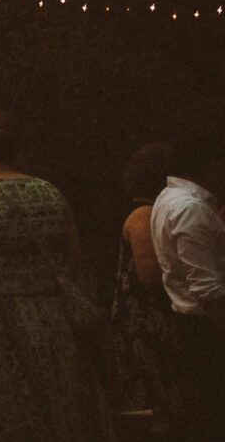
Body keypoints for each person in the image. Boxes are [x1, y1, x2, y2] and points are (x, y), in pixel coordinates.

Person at [0, 110, 106, 442]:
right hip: (55, 319)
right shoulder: (52, 194)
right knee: (60, 415)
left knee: (8, 416)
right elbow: (75, 264)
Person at [151, 105, 225, 438]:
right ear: (210, 164)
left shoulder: (169, 198)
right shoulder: (190, 207)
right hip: (207, 326)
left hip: (192, 323)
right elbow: (207, 287)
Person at [112, 141, 189, 437]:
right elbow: (149, 275)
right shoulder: (143, 215)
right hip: (145, 322)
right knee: (157, 404)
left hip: (151, 320)